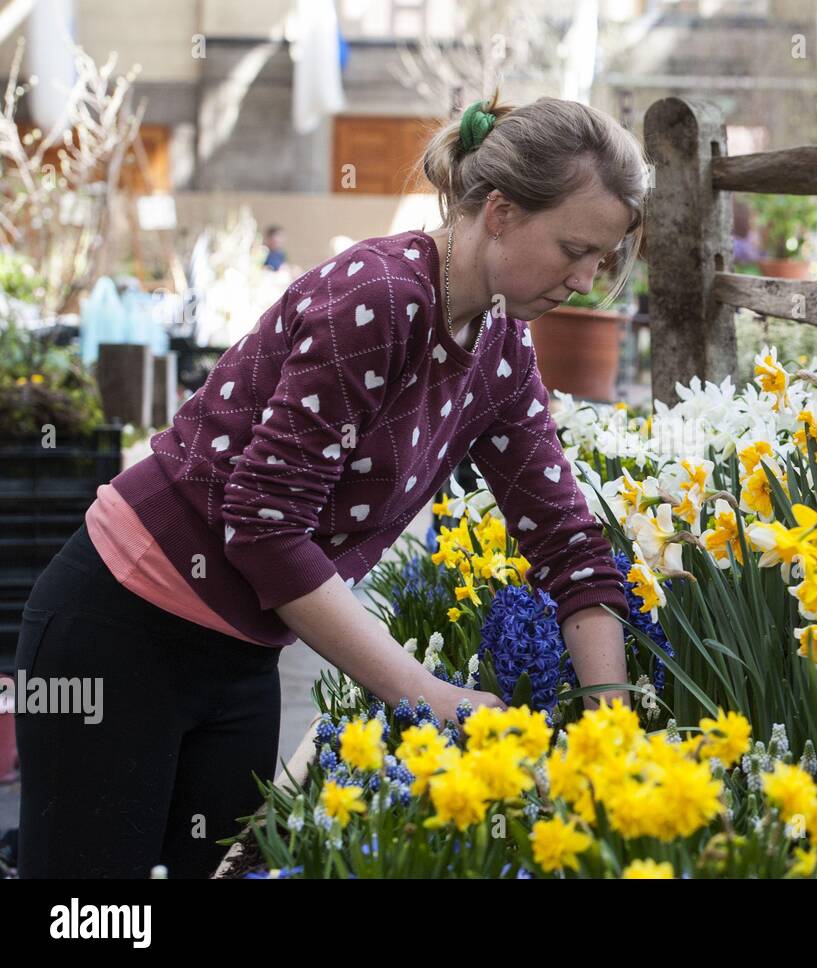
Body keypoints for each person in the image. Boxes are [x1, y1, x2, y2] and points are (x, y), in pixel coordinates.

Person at [15, 89, 647, 878]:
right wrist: (428, 693)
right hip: (120, 627)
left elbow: (566, 542)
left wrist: (609, 721)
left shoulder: (501, 352)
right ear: (502, 211)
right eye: (575, 247)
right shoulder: (377, 298)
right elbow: (264, 526)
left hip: (241, 652)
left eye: (604, 259)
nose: (587, 279)